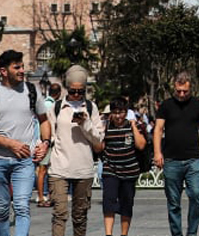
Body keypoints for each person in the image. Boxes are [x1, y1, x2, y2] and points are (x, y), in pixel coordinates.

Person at [0, 49, 52, 236]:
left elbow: (44, 120)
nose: (22, 71)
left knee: (22, 206)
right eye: (17, 67)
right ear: (3, 71)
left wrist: (45, 143)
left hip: (24, 161)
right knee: (1, 209)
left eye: (22, 66)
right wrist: (10, 144)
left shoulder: (32, 91)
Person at [154, 72, 199, 236]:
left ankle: (192, 233)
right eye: (178, 91)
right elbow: (158, 129)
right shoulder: (166, 105)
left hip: (193, 159)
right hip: (171, 160)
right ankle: (177, 233)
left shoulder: (197, 105)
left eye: (185, 91)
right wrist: (157, 152)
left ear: (190, 88)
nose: (181, 94)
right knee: (173, 202)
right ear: (174, 87)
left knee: (196, 194)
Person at [48, 66, 104, 236]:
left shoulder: (91, 107)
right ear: (67, 88)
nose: (77, 95)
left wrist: (85, 124)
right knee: (59, 214)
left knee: (80, 216)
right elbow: (49, 135)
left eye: (81, 91)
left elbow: (98, 139)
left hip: (83, 168)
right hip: (59, 167)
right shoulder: (57, 107)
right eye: (73, 91)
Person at [101, 96, 146, 236]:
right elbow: (99, 147)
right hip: (110, 169)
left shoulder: (132, 126)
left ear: (126, 112)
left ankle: (124, 233)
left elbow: (141, 145)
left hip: (129, 170)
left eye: (120, 112)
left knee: (126, 204)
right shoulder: (106, 126)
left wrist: (133, 126)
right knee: (108, 201)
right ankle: (108, 234)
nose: (117, 116)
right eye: (114, 112)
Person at [37, 82, 62, 208]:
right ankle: (41, 197)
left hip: (45, 139)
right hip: (47, 140)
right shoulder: (51, 105)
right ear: (59, 93)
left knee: (48, 169)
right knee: (43, 169)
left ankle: (48, 196)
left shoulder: (45, 103)